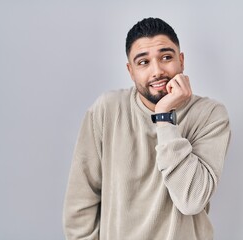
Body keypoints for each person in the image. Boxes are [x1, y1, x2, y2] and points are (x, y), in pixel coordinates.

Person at [63, 17, 231, 240]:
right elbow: (80, 203)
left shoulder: (210, 115)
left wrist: (165, 118)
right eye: (143, 62)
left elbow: (191, 200)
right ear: (130, 70)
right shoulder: (107, 110)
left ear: (181, 61)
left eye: (166, 57)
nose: (157, 71)